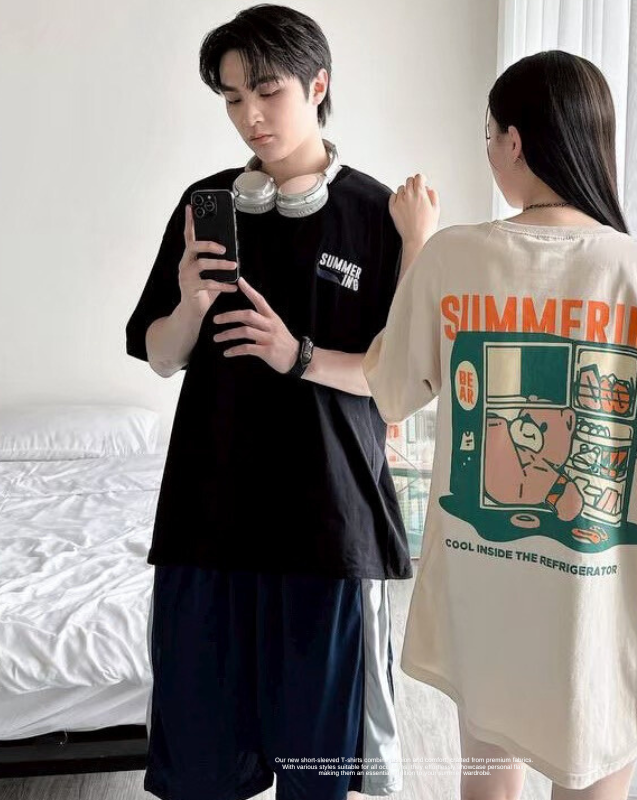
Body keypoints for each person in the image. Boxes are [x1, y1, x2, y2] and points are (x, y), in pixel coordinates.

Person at [364, 51, 637, 800]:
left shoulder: (453, 258)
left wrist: (416, 243)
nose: (489, 152)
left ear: (514, 141)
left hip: (485, 610)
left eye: (489, 135)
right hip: (605, 624)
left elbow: (388, 390)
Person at [125, 5, 437, 799]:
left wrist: (295, 355)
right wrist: (191, 302)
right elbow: (159, 355)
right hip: (207, 520)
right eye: (232, 98)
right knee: (201, 772)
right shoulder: (205, 204)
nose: (250, 116)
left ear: (317, 86)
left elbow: (401, 378)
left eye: (266, 92)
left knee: (315, 778)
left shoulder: (375, 215)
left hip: (325, 528)